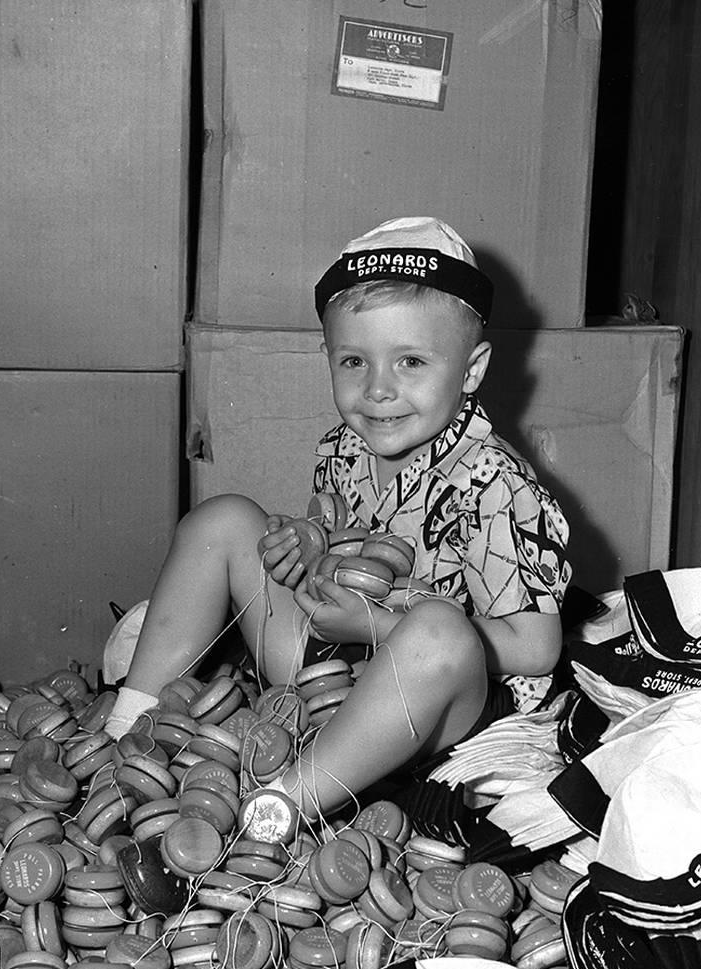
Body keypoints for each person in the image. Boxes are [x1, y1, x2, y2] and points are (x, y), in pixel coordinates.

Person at [105, 216, 572, 824]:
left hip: (433, 719)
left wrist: (375, 624)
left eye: (410, 362)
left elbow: (536, 650)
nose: (378, 390)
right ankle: (125, 730)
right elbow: (337, 535)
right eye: (354, 361)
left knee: (438, 630)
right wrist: (305, 539)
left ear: (472, 371)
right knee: (223, 519)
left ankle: (281, 807)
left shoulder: (495, 485)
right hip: (328, 676)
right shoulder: (345, 448)